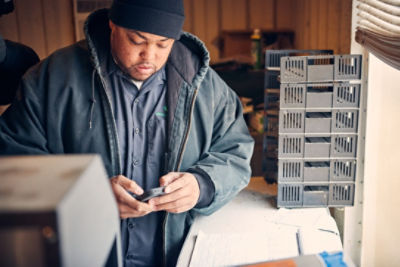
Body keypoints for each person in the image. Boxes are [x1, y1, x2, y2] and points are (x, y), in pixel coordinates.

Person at [0, 0, 254, 266]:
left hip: (174, 258)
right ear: (113, 26)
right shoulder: (52, 78)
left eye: (163, 44)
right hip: (83, 255)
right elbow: (14, 163)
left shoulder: (205, 87)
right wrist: (88, 195)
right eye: (137, 41)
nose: (149, 56)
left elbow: (235, 152)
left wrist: (202, 185)